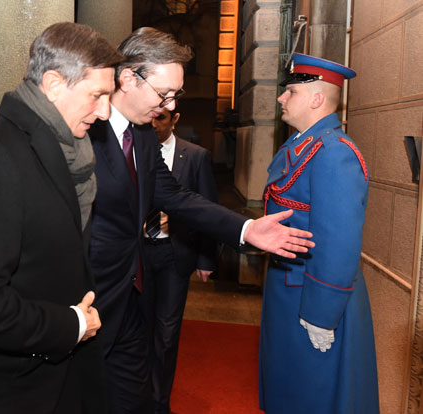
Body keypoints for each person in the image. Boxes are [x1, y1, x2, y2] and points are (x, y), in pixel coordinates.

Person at [87, 27, 315, 413]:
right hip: (90, 298)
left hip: (132, 297)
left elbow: (174, 195)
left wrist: (245, 229)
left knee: (133, 395)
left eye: (175, 95)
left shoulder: (142, 134)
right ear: (127, 78)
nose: (171, 105)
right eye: (165, 93)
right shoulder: (85, 129)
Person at [0, 22, 124, 414]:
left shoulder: (67, 151)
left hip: (52, 377)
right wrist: (71, 326)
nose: (105, 113)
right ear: (53, 84)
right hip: (1, 392)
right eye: (97, 96)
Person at [260, 53, 379, 413]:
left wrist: (322, 315)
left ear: (316, 99)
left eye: (291, 91)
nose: (281, 97)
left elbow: (339, 242)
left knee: (314, 394)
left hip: (313, 297)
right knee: (290, 390)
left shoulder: (333, 154)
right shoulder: (300, 145)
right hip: (289, 288)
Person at [142, 108, 218, 413]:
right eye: (151, 116)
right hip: (136, 255)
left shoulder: (196, 156)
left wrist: (206, 258)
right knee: (137, 330)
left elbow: (206, 208)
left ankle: (160, 404)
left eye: (161, 117)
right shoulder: (132, 149)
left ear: (175, 119)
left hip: (175, 254)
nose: (153, 123)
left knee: (166, 333)